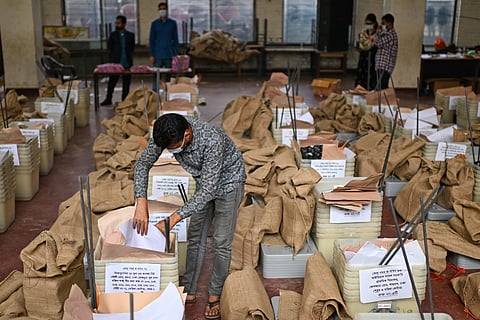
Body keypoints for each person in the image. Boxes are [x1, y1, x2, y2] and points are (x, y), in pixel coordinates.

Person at [133, 114, 246, 320]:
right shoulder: (167, 130)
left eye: (174, 147)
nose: (171, 152)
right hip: (204, 181)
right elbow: (142, 164)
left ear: (187, 134)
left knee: (221, 242)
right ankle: (190, 289)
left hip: (229, 183)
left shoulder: (212, 140)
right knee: (195, 236)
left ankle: (215, 294)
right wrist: (141, 201)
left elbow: (208, 191)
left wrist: (175, 217)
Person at [100, 15, 135, 106]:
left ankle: (124, 100)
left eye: (119, 23)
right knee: (112, 82)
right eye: (116, 23)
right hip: (115, 63)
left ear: (124, 24)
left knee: (126, 83)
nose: (117, 24)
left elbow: (131, 48)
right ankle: (108, 99)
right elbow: (110, 48)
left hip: (127, 63)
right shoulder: (113, 35)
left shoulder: (130, 36)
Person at [149, 2, 179, 88]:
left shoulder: (172, 23)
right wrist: (151, 54)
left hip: (169, 55)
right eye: (161, 9)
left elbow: (175, 40)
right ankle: (154, 95)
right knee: (156, 76)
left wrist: (175, 53)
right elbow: (152, 40)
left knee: (169, 77)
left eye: (164, 9)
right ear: (158, 11)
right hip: (158, 55)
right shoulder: (154, 24)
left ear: (167, 10)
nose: (162, 11)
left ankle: (168, 94)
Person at [374, 13, 398, 90]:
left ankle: (384, 102)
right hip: (381, 66)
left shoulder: (391, 35)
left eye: (383, 23)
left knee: (382, 89)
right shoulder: (386, 34)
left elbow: (377, 43)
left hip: (385, 66)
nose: (382, 25)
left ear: (389, 23)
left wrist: (378, 31)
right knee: (380, 88)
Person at [355, 13, 378, 90]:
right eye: (366, 23)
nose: (368, 25)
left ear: (374, 23)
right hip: (363, 58)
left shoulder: (377, 34)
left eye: (369, 24)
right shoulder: (363, 33)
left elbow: (374, 45)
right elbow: (361, 44)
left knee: (372, 78)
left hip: (373, 59)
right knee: (361, 77)